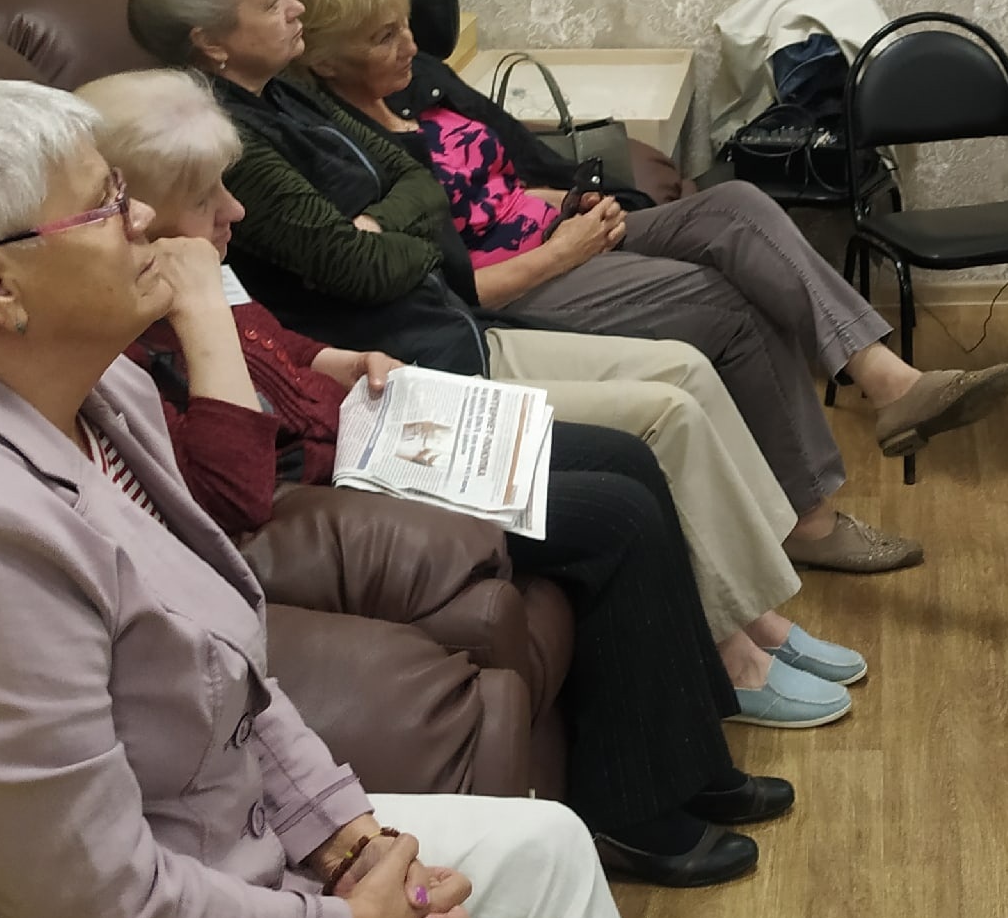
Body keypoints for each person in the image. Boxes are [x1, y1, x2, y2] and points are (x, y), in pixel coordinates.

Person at [0, 77, 690, 918]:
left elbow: (229, 675)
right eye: (106, 206)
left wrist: (345, 837)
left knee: (548, 850)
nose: (146, 222)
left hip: (193, 875)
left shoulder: (101, 392)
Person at [108, 0, 1008, 575]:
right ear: (211, 41)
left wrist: (437, 208)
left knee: (737, 209)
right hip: (482, 289)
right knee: (726, 298)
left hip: (521, 240)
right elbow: (367, 262)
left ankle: (888, 380)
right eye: (274, 0)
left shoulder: (294, 92)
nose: (295, 8)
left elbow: (416, 183)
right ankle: (808, 523)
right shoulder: (247, 133)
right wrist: (504, 236)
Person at [80, 67, 867, 728]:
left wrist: (335, 354)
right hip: (390, 414)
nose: (236, 212)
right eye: (208, 198)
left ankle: (754, 619)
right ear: (135, 216)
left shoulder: (284, 116)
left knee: (681, 378)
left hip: (410, 371)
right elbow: (351, 278)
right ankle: (733, 652)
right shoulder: (143, 317)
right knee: (648, 442)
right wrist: (230, 307)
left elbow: (404, 196)